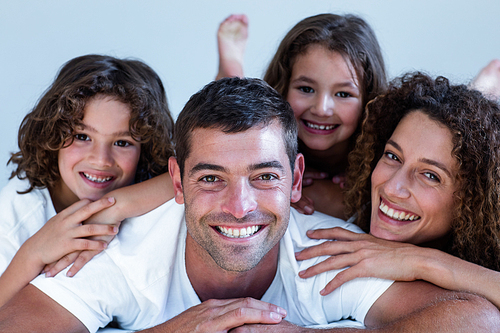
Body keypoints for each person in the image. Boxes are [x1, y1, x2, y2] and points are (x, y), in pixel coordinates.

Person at [0, 77, 498, 333]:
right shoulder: (118, 249)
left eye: (264, 177)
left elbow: (476, 321)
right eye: (211, 177)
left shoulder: (329, 250)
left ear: (296, 180)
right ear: (175, 182)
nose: (240, 207)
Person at [295, 72, 500, 309]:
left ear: (472, 201)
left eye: (430, 175)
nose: (392, 188)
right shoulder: (330, 202)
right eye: (392, 156)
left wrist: (421, 261)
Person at [0, 54, 175, 308]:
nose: (101, 160)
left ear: (145, 151)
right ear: (54, 134)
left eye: (122, 143)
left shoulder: (147, 184)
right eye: (82, 136)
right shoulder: (19, 208)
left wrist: (116, 205)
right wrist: (33, 253)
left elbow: (196, 169)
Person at [216, 14, 387, 219]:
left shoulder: (384, 150)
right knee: (236, 122)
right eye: (306, 89)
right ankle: (232, 77)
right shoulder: (267, 134)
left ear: (368, 100)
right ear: (283, 88)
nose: (321, 109)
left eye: (343, 94)